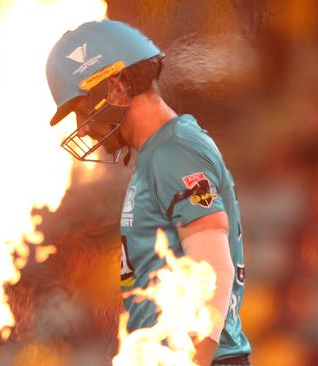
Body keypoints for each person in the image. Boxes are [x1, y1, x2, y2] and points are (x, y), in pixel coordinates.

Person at [45, 20, 251, 366]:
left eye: (84, 110)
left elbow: (214, 266)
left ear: (116, 87)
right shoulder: (160, 153)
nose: (86, 127)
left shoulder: (173, 151)